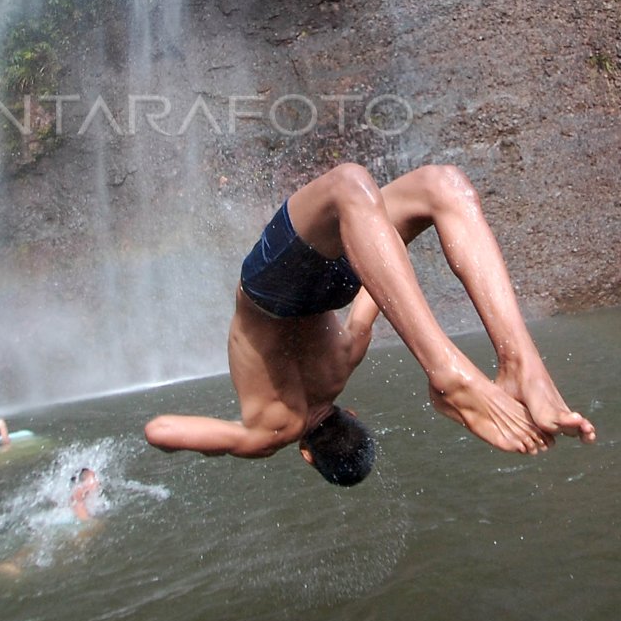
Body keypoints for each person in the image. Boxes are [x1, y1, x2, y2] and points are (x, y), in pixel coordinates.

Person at [145, 164, 596, 484]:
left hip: (305, 287)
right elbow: (158, 429)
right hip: (273, 292)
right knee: (437, 184)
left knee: (409, 187)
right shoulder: (268, 431)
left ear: (355, 416)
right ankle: (516, 362)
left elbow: (375, 295)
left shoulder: (346, 362)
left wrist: (407, 228)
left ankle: (474, 367)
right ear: (306, 455)